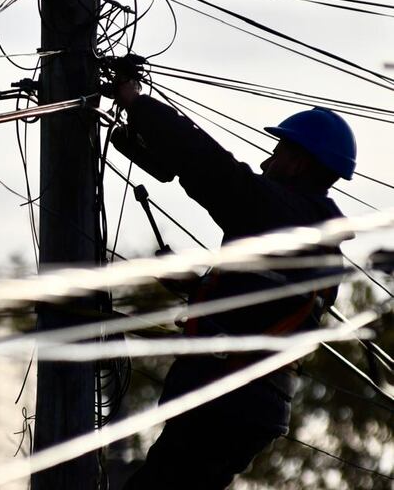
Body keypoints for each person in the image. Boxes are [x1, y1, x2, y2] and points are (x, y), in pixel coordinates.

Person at [113, 77, 357, 490]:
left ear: (298, 162)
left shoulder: (281, 213)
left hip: (227, 395)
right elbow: (263, 303)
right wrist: (196, 286)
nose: (266, 163)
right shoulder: (317, 239)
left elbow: (210, 168)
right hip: (250, 402)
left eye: (277, 153)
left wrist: (138, 105)